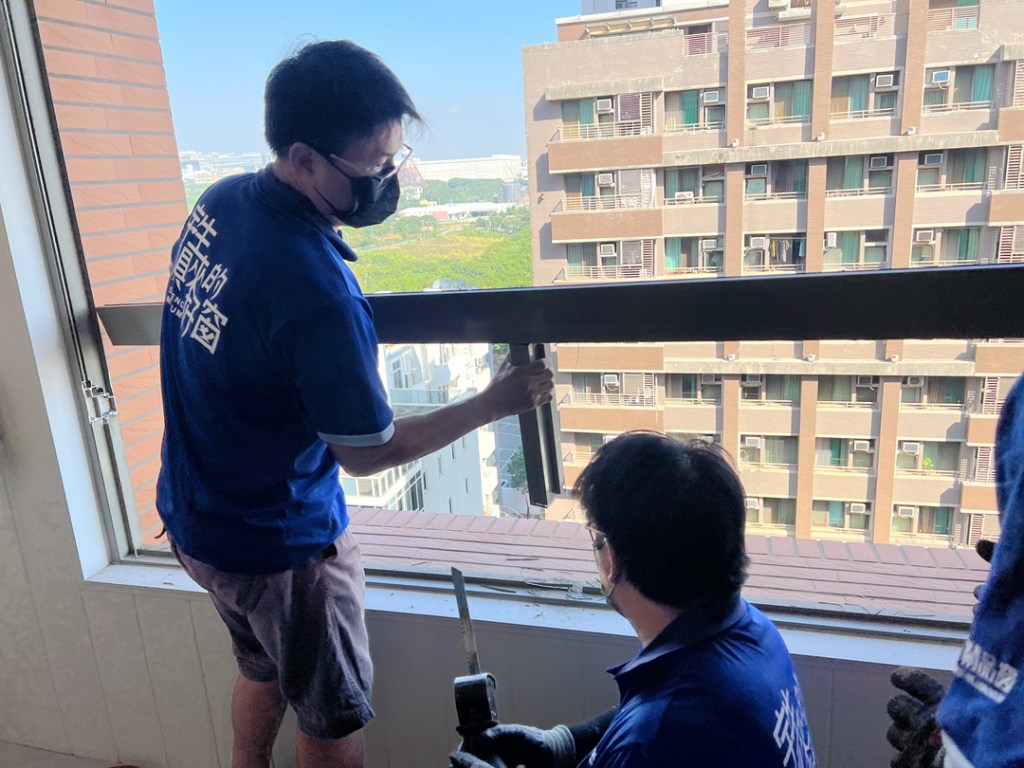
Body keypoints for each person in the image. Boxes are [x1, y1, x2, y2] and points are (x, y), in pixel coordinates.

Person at [156, 40, 553, 768]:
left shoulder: (221, 203)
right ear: (304, 159)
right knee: (331, 713)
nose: (388, 181)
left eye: (394, 161)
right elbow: (368, 454)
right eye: (372, 168)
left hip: (197, 519)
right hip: (278, 547)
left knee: (263, 669)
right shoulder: (315, 291)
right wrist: (494, 403)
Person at [451, 432, 816, 768]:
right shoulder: (754, 634)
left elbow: (658, 731)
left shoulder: (650, 741)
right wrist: (565, 743)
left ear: (611, 560)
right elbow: (661, 715)